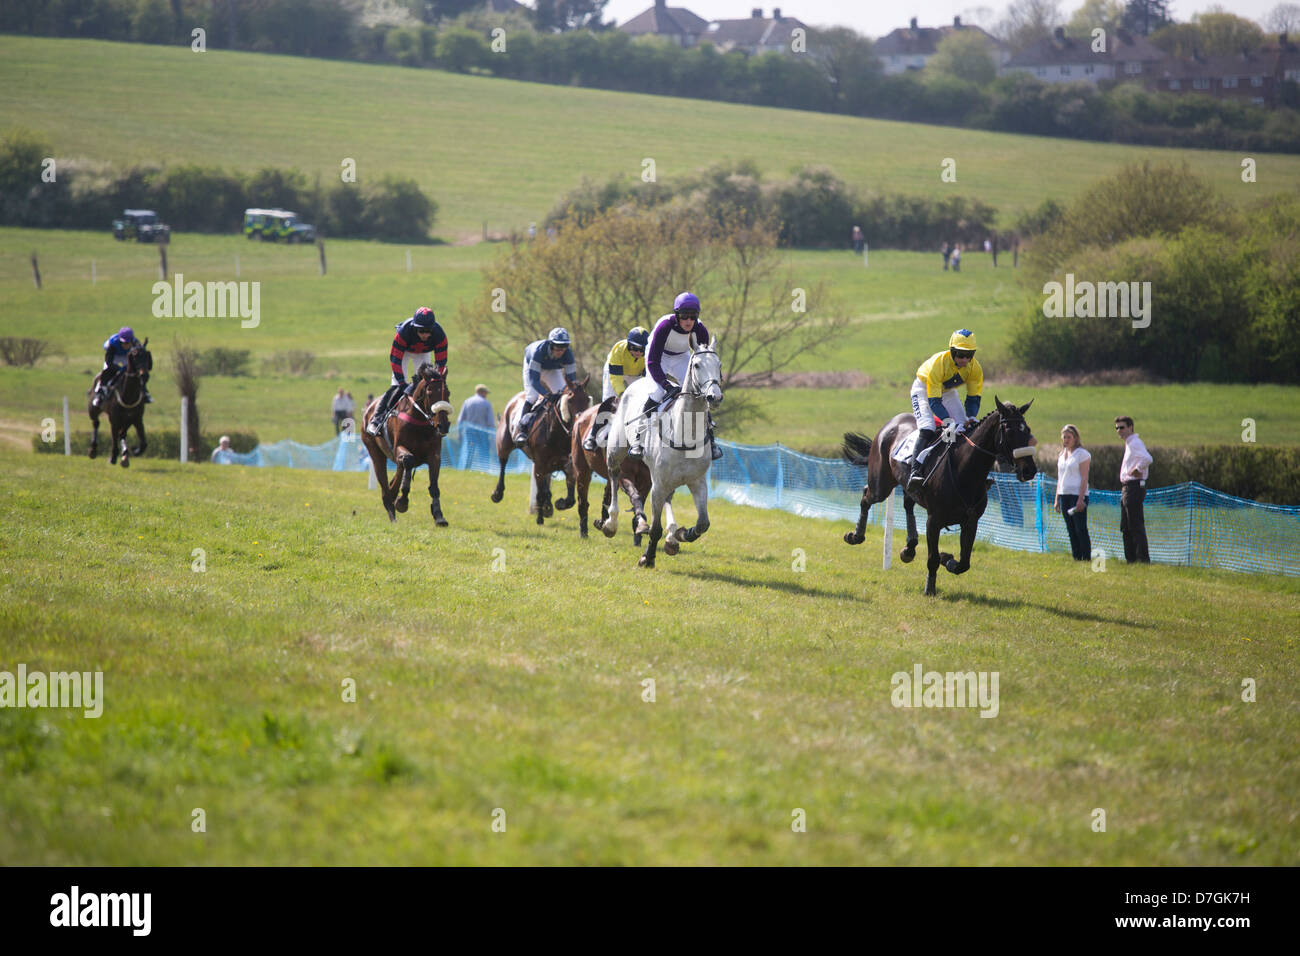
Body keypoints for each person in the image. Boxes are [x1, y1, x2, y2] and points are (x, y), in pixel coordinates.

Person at [630, 292, 721, 462]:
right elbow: (652, 362)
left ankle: (712, 441)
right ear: (677, 315)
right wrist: (666, 385)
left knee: (700, 393)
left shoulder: (701, 330)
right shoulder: (665, 326)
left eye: (693, 317)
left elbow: (702, 358)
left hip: (682, 357)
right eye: (684, 316)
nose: (688, 321)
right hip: (658, 357)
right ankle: (638, 440)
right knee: (657, 393)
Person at [906, 329, 983, 495]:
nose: (964, 360)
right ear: (952, 351)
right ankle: (915, 472)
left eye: (968, 355)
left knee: (965, 428)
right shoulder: (939, 363)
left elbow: (973, 397)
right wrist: (948, 421)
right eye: (960, 355)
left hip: (947, 391)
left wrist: (970, 416)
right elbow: (934, 402)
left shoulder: (975, 368)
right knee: (927, 428)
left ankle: (960, 470)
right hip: (923, 390)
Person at [366, 307, 448, 436]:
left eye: (428, 331)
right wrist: (402, 382)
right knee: (397, 386)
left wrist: (437, 380)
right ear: (415, 328)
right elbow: (395, 360)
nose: (425, 335)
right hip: (403, 353)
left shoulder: (439, 335)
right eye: (421, 331)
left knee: (427, 386)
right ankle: (377, 419)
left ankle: (432, 419)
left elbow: (441, 362)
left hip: (423, 353)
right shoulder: (403, 332)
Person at [583, 326, 649, 452]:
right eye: (635, 349)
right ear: (629, 345)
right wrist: (622, 394)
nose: (639, 353)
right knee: (610, 400)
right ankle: (592, 436)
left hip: (636, 375)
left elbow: (646, 379)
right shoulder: (619, 350)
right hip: (616, 372)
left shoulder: (649, 355)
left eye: (642, 350)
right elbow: (616, 379)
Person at [513, 328, 577, 445]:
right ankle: (522, 430)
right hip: (532, 368)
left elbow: (572, 380)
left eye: (564, 347)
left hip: (552, 370)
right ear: (551, 344)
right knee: (532, 397)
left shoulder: (568, 354)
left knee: (564, 395)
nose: (560, 351)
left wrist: (573, 391)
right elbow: (534, 380)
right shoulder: (538, 352)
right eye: (557, 346)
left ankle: (568, 427)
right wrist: (547, 394)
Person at [1115, 415, 1152, 564]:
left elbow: (1147, 458)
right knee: (1126, 526)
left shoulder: (1135, 442)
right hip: (1127, 488)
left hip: (1134, 487)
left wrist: (1137, 469)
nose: (1119, 430)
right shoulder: (1129, 443)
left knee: (1134, 524)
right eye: (1117, 428)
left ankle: (1142, 559)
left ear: (1130, 427)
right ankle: (1131, 559)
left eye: (1122, 427)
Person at [1054, 424, 1092, 561]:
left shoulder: (1082, 454)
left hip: (1077, 495)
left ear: (1075, 438)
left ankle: (1086, 557)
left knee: (1080, 528)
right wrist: (1057, 499)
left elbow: (1084, 478)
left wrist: (1081, 499)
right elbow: (1060, 478)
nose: (1066, 440)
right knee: (1070, 529)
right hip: (1064, 494)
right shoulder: (1061, 455)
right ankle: (1077, 557)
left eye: (1069, 437)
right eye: (1064, 437)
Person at [93, 326, 151, 408]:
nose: (125, 345)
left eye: (127, 343)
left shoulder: (136, 344)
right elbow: (109, 362)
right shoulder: (112, 343)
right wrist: (119, 369)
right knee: (106, 372)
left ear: (131, 340)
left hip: (126, 356)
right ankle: (99, 393)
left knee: (136, 374)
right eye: (123, 342)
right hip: (114, 356)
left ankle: (145, 392)